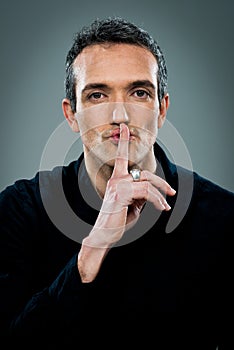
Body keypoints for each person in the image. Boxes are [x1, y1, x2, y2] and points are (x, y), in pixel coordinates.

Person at [0, 16, 233, 348]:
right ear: (71, 114)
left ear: (162, 109)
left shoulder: (224, 219)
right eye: (97, 95)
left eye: (139, 92)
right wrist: (92, 249)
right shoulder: (20, 211)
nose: (120, 116)